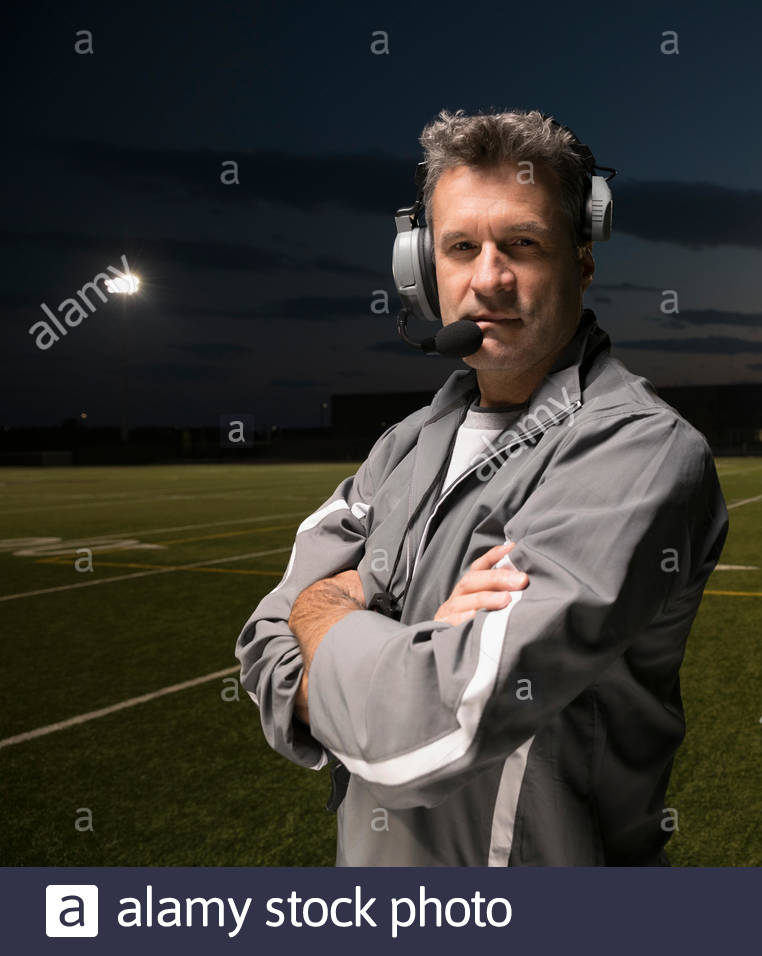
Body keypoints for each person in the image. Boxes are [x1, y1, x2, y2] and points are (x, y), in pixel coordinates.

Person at [234, 108, 729, 866]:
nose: (489, 277)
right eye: (462, 247)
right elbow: (262, 648)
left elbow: (428, 729)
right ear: (423, 268)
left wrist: (337, 609)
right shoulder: (399, 450)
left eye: (522, 245)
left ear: (583, 259)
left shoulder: (641, 450)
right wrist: (409, 645)